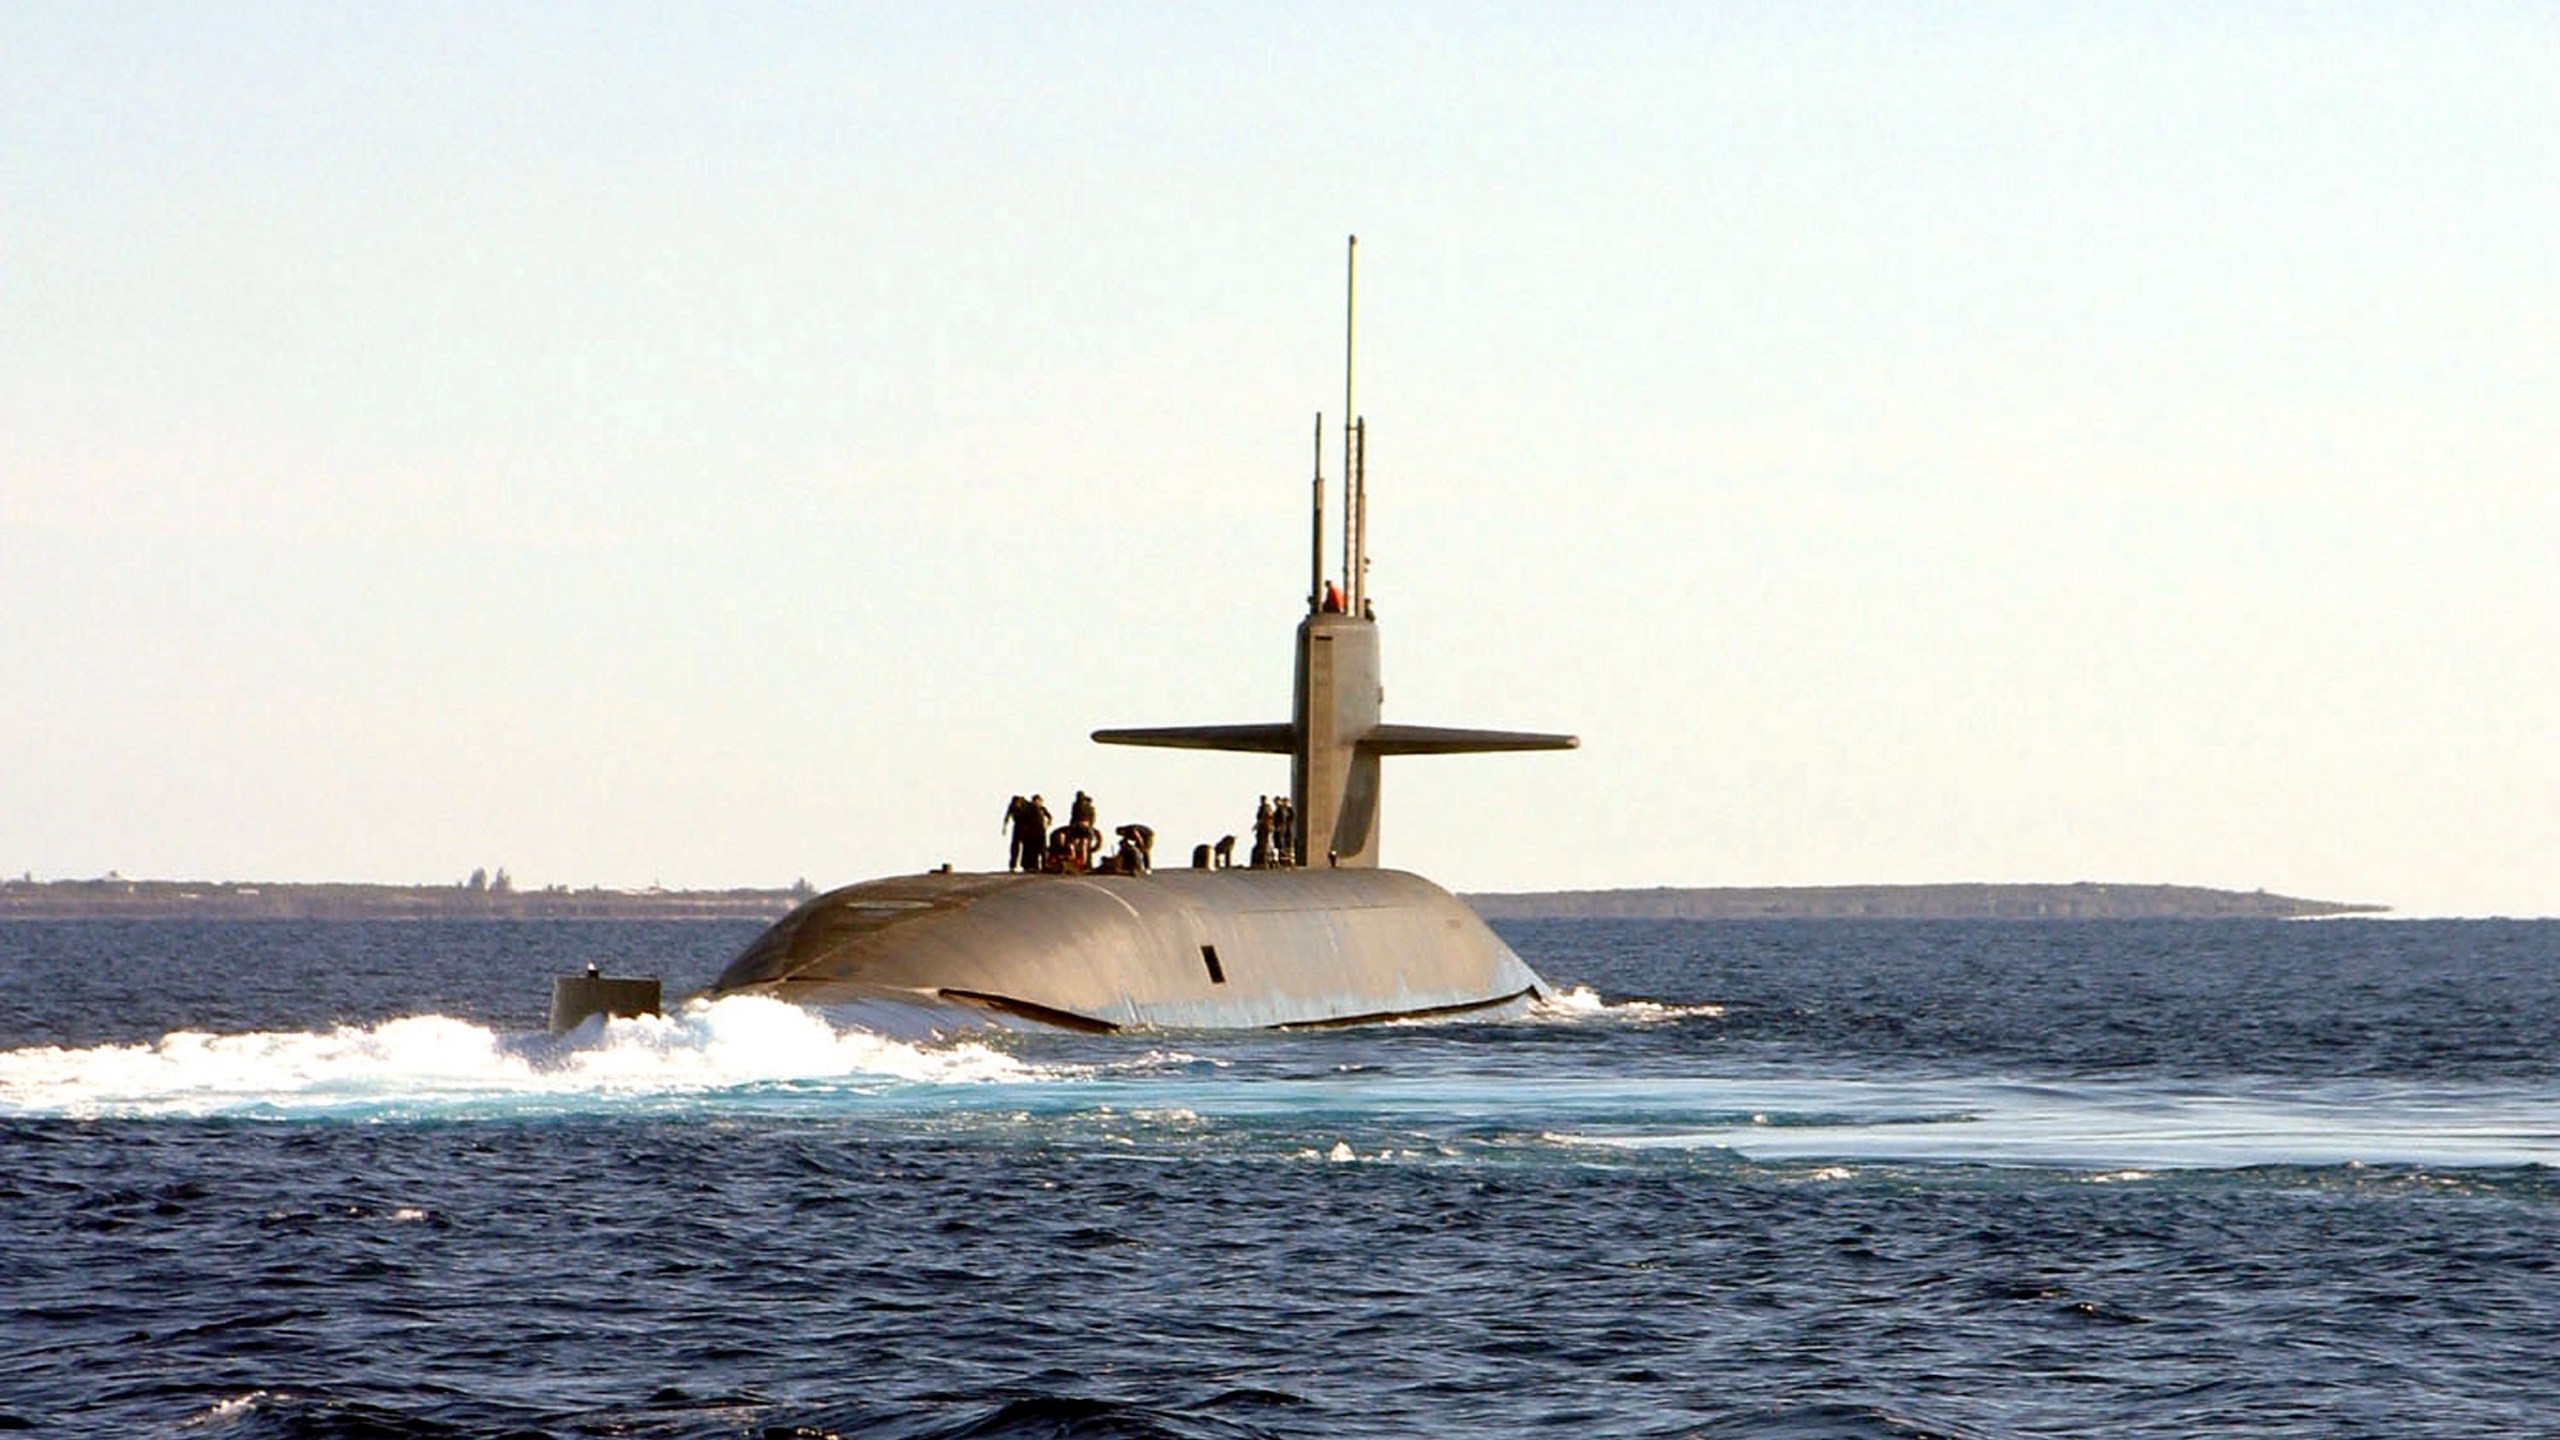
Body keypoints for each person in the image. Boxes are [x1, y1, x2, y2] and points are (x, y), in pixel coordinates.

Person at [1251, 796, 1273, 869]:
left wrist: (1256, 826)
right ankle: (1262, 861)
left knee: (1263, 844)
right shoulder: (1267, 808)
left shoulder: (1265, 808)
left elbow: (1262, 818)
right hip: (1264, 828)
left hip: (1264, 828)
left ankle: (1263, 861)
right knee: (1263, 843)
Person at [1273, 796, 1296, 866]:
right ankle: (1282, 860)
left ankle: (1288, 860)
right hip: (1283, 830)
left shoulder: (1287, 810)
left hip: (1286, 830)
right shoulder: (1280, 809)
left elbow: (1291, 818)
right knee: (1280, 844)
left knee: (1286, 844)